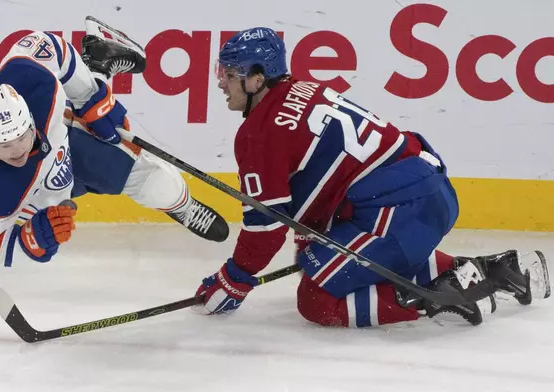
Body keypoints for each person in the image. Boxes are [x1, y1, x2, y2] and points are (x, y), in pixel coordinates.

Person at [193, 27, 550, 327]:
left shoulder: (260, 133)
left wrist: (234, 280)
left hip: (396, 210)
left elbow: (267, 225)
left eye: (229, 73)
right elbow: (322, 179)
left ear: (256, 79)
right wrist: (313, 246)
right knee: (322, 263)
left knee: (316, 300)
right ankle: (485, 271)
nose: (222, 83)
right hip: (423, 193)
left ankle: (440, 298)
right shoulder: (305, 89)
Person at [0, 17, 229, 268]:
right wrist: (28, 242)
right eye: (5, 146)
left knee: (156, 185)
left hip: (68, 146)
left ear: (30, 120)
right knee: (45, 221)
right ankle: (98, 58)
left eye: (23, 136)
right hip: (33, 193)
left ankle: (181, 205)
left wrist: (91, 99)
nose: (19, 150)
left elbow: (47, 45)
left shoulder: (31, 83)